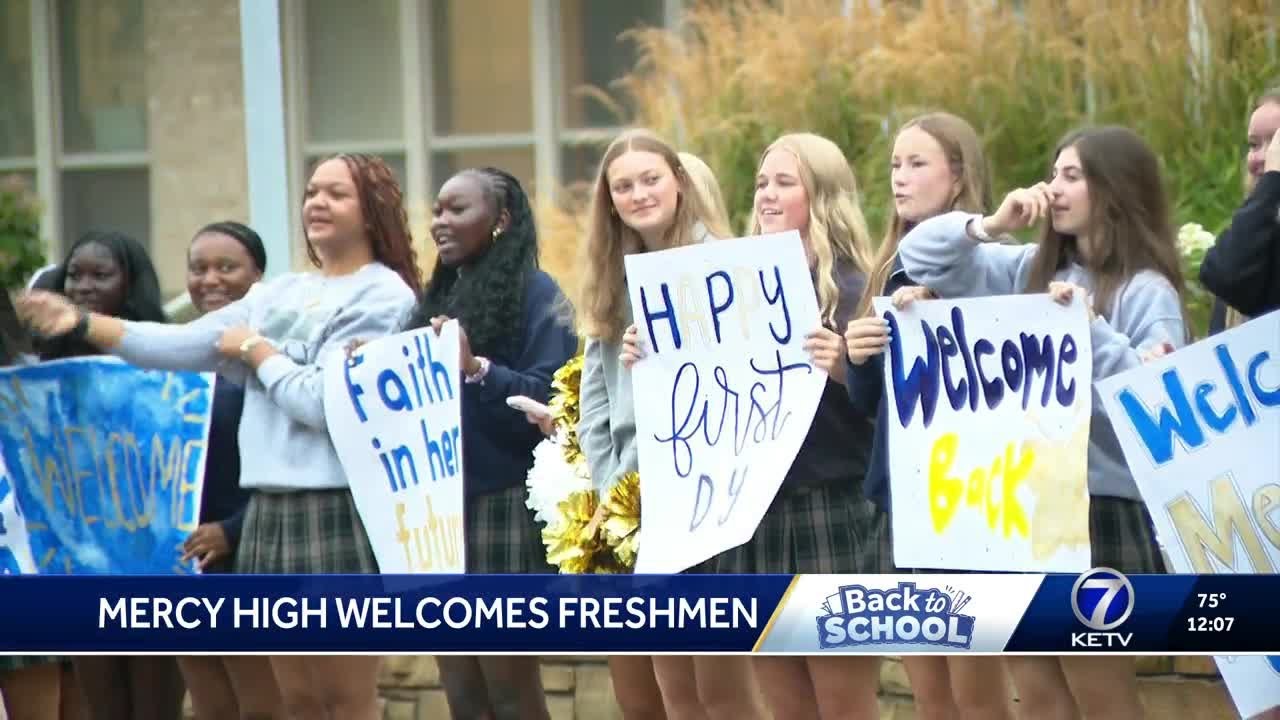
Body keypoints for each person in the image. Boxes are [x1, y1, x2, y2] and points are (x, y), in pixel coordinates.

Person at [18, 153, 422, 720]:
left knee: (344, 699)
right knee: (297, 700)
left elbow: (321, 404)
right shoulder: (276, 294)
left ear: (372, 210)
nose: (317, 203)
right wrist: (83, 325)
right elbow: (179, 345)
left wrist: (257, 351)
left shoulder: (384, 297)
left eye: (337, 194)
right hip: (268, 515)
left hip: (335, 510)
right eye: (311, 191)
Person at [899, 125, 1185, 720]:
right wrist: (989, 226)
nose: (1053, 188)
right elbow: (919, 255)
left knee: (1102, 697)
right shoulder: (1025, 266)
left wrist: (1091, 332)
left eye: (1072, 176)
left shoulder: (1146, 290)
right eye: (1053, 173)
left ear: (1115, 190)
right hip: (1026, 508)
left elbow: (1149, 407)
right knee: (1041, 699)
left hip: (1100, 510)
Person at [579, 130, 767, 720]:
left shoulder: (726, 266)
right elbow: (596, 404)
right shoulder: (613, 277)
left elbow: (755, 370)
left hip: (713, 495)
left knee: (724, 693)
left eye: (650, 179)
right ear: (610, 202)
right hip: (644, 506)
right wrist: (617, 488)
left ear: (679, 183)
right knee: (675, 691)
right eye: (623, 186)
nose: (639, 194)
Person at [843, 112, 1015, 720]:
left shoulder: (994, 260)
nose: (900, 177)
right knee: (931, 697)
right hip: (902, 498)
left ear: (959, 175)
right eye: (894, 164)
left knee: (978, 693)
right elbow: (872, 408)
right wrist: (860, 356)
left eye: (917, 164)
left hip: (971, 499)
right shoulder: (888, 267)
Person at [399, 166, 576, 720]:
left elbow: (552, 397)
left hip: (501, 506)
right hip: (438, 514)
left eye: (457, 210)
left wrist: (477, 369)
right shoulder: (437, 296)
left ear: (500, 220)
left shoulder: (537, 293)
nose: (439, 223)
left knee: (510, 691)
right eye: (436, 211)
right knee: (463, 693)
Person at [173, 221, 283, 720]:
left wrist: (233, 532)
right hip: (183, 561)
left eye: (226, 267)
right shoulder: (173, 357)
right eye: (199, 268)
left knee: (264, 709)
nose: (210, 280)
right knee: (211, 709)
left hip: (254, 554)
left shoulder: (277, 352)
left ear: (257, 275)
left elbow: (294, 461)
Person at [1201, 85, 1280, 333]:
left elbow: (1231, 275)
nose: (1261, 158)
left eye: (1277, 144)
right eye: (1254, 145)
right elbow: (1222, 275)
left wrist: (1272, 179)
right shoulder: (1251, 236)